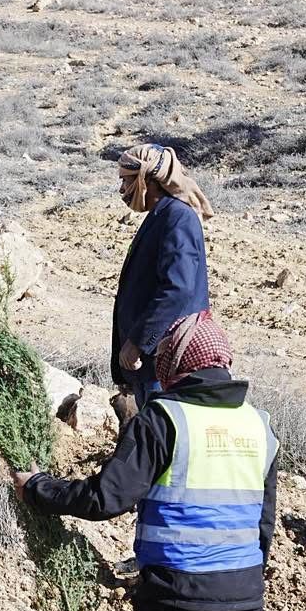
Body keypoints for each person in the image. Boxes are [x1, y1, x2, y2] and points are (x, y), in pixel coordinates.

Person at [12, 312, 276, 611]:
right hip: (244, 604)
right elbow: (263, 527)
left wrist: (37, 487)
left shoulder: (164, 420)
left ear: (176, 363)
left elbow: (104, 498)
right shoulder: (259, 425)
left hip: (177, 603)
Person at [113, 143, 213, 413]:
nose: (123, 190)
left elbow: (177, 289)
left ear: (147, 180)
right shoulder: (161, 215)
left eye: (126, 181)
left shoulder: (177, 218)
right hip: (152, 363)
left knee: (166, 441)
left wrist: (138, 343)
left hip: (165, 363)